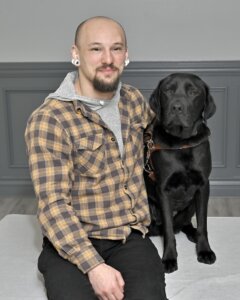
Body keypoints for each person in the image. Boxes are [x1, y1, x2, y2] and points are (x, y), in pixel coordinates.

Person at [25, 16, 168, 300]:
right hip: (71, 241)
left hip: (128, 237)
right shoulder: (50, 119)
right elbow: (53, 206)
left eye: (116, 49)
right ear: (76, 55)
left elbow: (159, 141)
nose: (107, 59)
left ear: (126, 55)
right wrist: (95, 266)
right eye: (95, 49)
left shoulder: (133, 100)